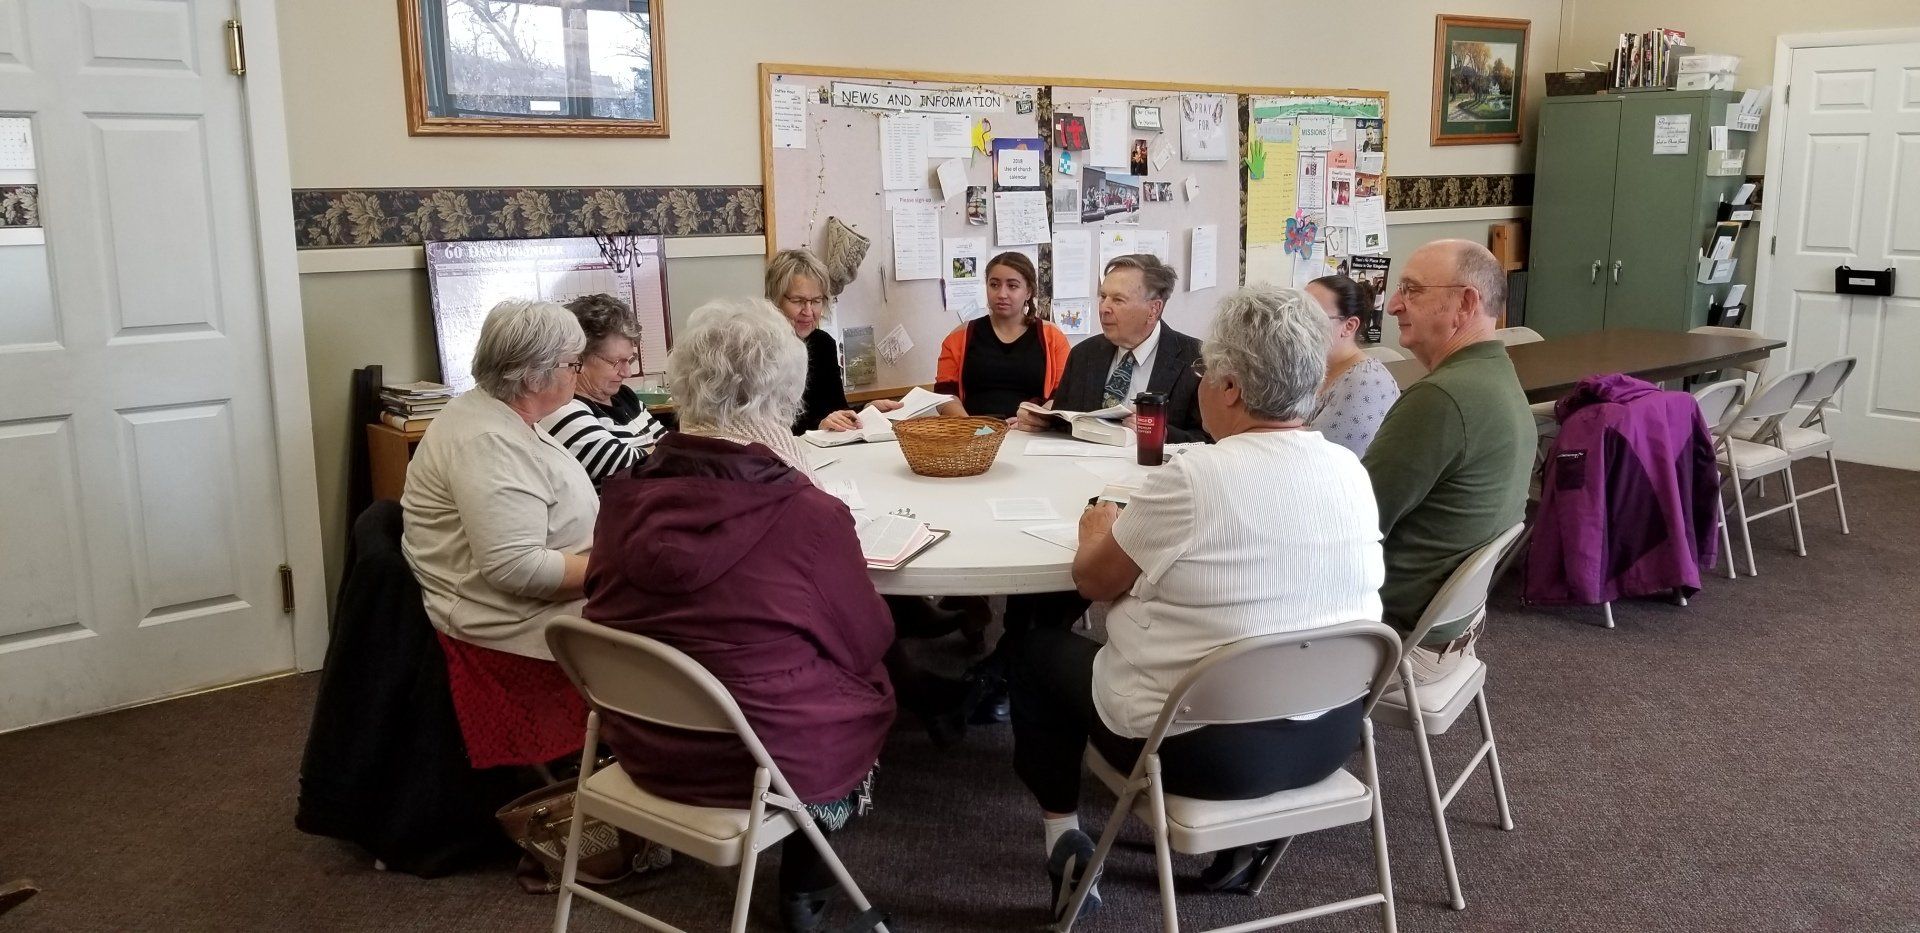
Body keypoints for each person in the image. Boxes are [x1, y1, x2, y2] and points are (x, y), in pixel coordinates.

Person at [1010, 285, 1384, 922]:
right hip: (1328, 735)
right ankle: (1248, 843)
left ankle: (1066, 840)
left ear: (1233, 388)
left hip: (1200, 754)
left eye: (1207, 373)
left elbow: (1093, 583)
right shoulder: (1349, 470)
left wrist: (1098, 526)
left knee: (1035, 651)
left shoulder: (1193, 477)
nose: (1201, 383)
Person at [584, 298, 895, 932]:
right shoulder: (808, 515)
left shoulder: (625, 497)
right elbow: (868, 640)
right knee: (874, 683)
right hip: (761, 760)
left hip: (642, 743)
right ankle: (806, 886)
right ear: (786, 393)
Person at [402, 299, 598, 767]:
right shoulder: (488, 442)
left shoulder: (500, 415)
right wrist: (615, 568)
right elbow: (517, 568)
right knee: (683, 628)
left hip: (539, 600)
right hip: (511, 622)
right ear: (533, 377)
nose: (578, 372)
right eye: (573, 363)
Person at [1362, 240, 1533, 686]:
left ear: (1466, 302)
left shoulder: (1441, 399)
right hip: (1454, 629)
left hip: (1401, 642)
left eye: (1413, 290)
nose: (1395, 304)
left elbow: (1354, 522)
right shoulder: (1496, 374)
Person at [1013, 254, 1206, 442]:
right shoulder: (1083, 355)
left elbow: (1214, 439)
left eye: (1118, 300)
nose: (1104, 308)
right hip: (1084, 469)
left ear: (1153, 309)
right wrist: (1041, 421)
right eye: (1103, 297)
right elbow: (1066, 423)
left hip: (1154, 470)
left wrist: (1163, 434)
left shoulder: (1196, 358)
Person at [537, 293, 666, 487]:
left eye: (630, 360)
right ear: (578, 358)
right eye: (616, 362)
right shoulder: (562, 410)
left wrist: (660, 452)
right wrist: (660, 451)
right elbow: (636, 469)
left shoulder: (624, 396)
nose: (627, 372)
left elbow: (670, 450)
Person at [767, 248, 899, 433]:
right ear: (775, 300)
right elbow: (764, 427)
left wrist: (866, 411)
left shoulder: (823, 344)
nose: (808, 311)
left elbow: (837, 409)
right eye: (798, 301)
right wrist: (819, 425)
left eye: (816, 301)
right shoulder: (760, 349)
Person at [932, 251, 1071, 419]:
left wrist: (1036, 419)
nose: (1001, 294)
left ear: (1028, 292)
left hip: (1032, 431)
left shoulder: (1052, 337)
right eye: (994, 285)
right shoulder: (960, 336)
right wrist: (970, 426)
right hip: (974, 433)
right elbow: (944, 394)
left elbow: (1062, 394)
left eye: (1012, 286)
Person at [1305, 274, 1399, 455]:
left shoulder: (1367, 383)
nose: (1296, 324)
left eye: (1311, 317)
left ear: (1349, 326)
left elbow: (1321, 456)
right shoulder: (1308, 369)